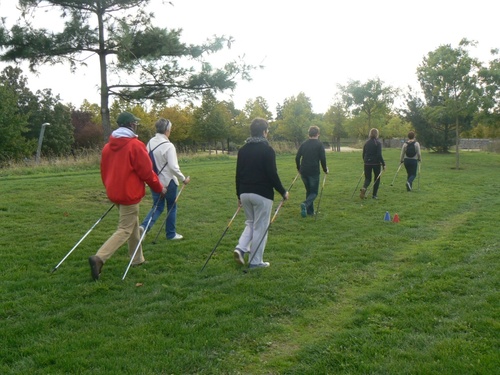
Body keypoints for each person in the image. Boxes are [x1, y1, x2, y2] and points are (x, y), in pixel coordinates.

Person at [88, 112, 166, 281]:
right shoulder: (135, 145)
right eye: (135, 123)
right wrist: (159, 188)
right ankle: (100, 257)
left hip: (115, 192)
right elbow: (147, 172)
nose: (136, 126)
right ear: (131, 125)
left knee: (132, 224)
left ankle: (137, 259)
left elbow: (104, 172)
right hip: (129, 194)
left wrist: (110, 188)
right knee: (125, 229)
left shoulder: (108, 147)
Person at [233, 118, 289, 269]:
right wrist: (283, 191)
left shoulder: (243, 150)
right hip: (262, 194)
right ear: (264, 132)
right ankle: (255, 261)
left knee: (251, 223)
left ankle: (241, 248)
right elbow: (272, 174)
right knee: (260, 227)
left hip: (245, 192)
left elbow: (238, 174)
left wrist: (239, 195)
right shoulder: (267, 149)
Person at [140, 118, 190, 240]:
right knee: (172, 207)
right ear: (167, 130)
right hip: (169, 182)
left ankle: (144, 227)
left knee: (157, 207)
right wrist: (183, 178)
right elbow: (173, 167)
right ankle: (171, 234)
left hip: (155, 182)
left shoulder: (150, 142)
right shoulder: (169, 146)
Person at [295, 125, 328, 217]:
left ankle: (310, 212)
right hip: (313, 172)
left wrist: (299, 168)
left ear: (309, 134)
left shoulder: (304, 144)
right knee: (314, 192)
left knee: (309, 191)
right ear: (318, 134)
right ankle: (305, 204)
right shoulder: (319, 144)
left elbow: (297, 157)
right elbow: (323, 159)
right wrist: (325, 169)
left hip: (304, 171)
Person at [360, 128, 385, 199]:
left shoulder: (366, 143)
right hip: (376, 163)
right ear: (377, 134)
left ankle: (364, 187)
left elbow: (364, 153)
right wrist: (383, 164)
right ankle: (374, 195)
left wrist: (365, 161)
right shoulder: (378, 143)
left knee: (367, 178)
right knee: (377, 178)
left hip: (367, 163)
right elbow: (379, 155)